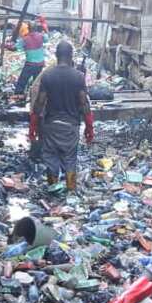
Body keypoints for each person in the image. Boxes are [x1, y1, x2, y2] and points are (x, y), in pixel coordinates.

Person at [29, 40, 94, 190]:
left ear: (56, 55)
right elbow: (84, 104)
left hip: (51, 125)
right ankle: (71, 193)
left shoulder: (47, 76)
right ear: (71, 56)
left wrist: (32, 126)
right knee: (70, 160)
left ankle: (53, 192)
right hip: (70, 127)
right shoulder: (78, 77)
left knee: (51, 159)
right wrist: (89, 128)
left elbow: (39, 103)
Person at [11, 16, 49, 95]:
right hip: (40, 64)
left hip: (30, 64)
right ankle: (36, 95)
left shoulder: (25, 39)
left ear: (28, 28)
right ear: (36, 28)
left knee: (22, 81)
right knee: (37, 82)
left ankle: (18, 95)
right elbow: (47, 38)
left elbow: (15, 47)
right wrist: (44, 26)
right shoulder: (41, 36)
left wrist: (7, 45)